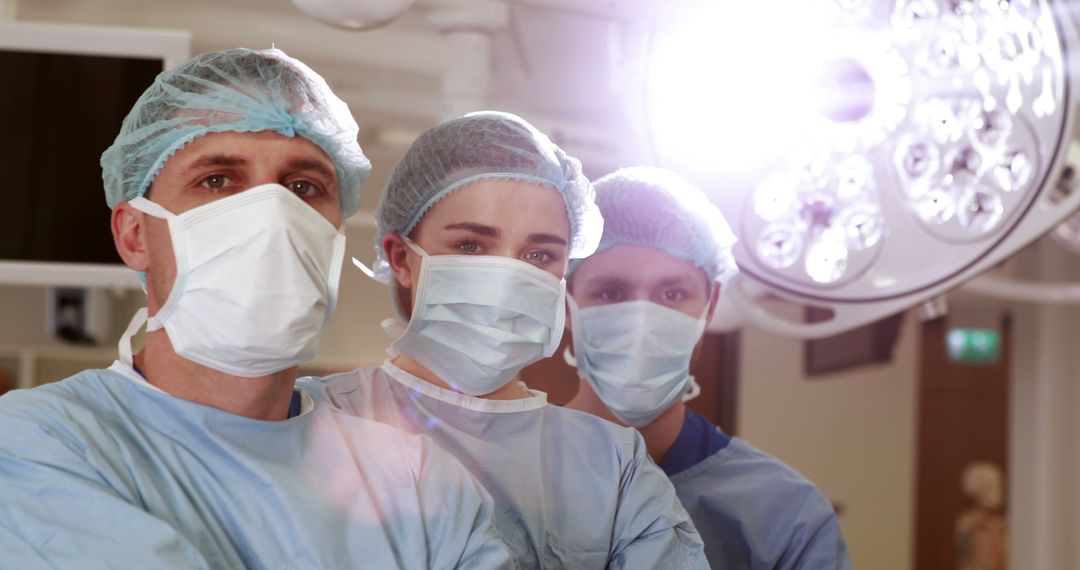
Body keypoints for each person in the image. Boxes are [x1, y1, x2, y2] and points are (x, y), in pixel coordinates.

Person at [0, 48, 510, 569]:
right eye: (217, 180)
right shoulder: (38, 443)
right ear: (135, 235)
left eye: (302, 187)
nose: (272, 216)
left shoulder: (419, 480)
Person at [310, 111, 708, 569]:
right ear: (401, 258)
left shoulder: (612, 465)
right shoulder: (316, 421)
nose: (508, 277)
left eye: (539, 254)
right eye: (471, 246)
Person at [563, 166, 851, 570]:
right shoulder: (501, 482)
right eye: (611, 292)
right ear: (567, 305)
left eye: (672, 293)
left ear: (710, 307)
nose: (642, 319)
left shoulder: (784, 515)